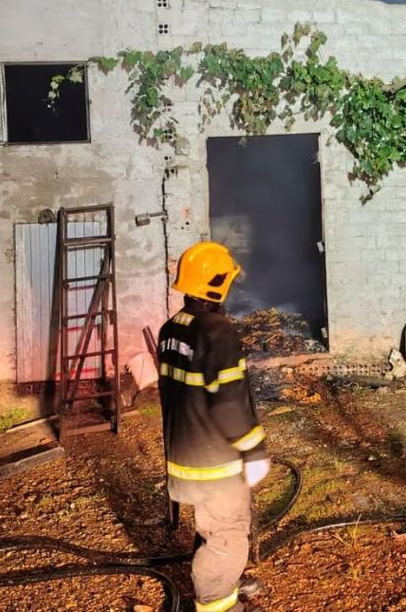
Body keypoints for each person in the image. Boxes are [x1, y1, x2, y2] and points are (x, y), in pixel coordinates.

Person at [157, 241, 270, 612]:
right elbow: (228, 402)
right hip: (216, 463)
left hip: (185, 455)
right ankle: (217, 603)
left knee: (211, 528)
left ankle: (226, 585)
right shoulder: (217, 332)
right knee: (226, 537)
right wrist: (253, 450)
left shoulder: (171, 329)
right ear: (217, 284)